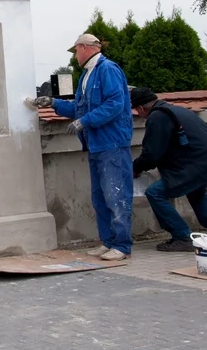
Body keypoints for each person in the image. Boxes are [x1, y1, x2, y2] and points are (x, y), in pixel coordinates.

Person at [26, 34, 134, 260]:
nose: (75, 57)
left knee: (116, 195)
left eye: (76, 51)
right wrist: (54, 103)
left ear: (85, 48)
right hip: (97, 144)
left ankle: (122, 246)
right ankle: (108, 242)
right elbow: (79, 108)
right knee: (100, 197)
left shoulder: (107, 69)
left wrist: (85, 121)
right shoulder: (88, 74)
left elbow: (115, 104)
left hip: (111, 143)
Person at [130, 87, 207, 251]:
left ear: (140, 108)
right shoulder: (176, 110)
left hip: (201, 165)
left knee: (155, 193)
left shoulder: (157, 117)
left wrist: (134, 169)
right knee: (195, 189)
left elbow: (152, 155)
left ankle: (182, 236)